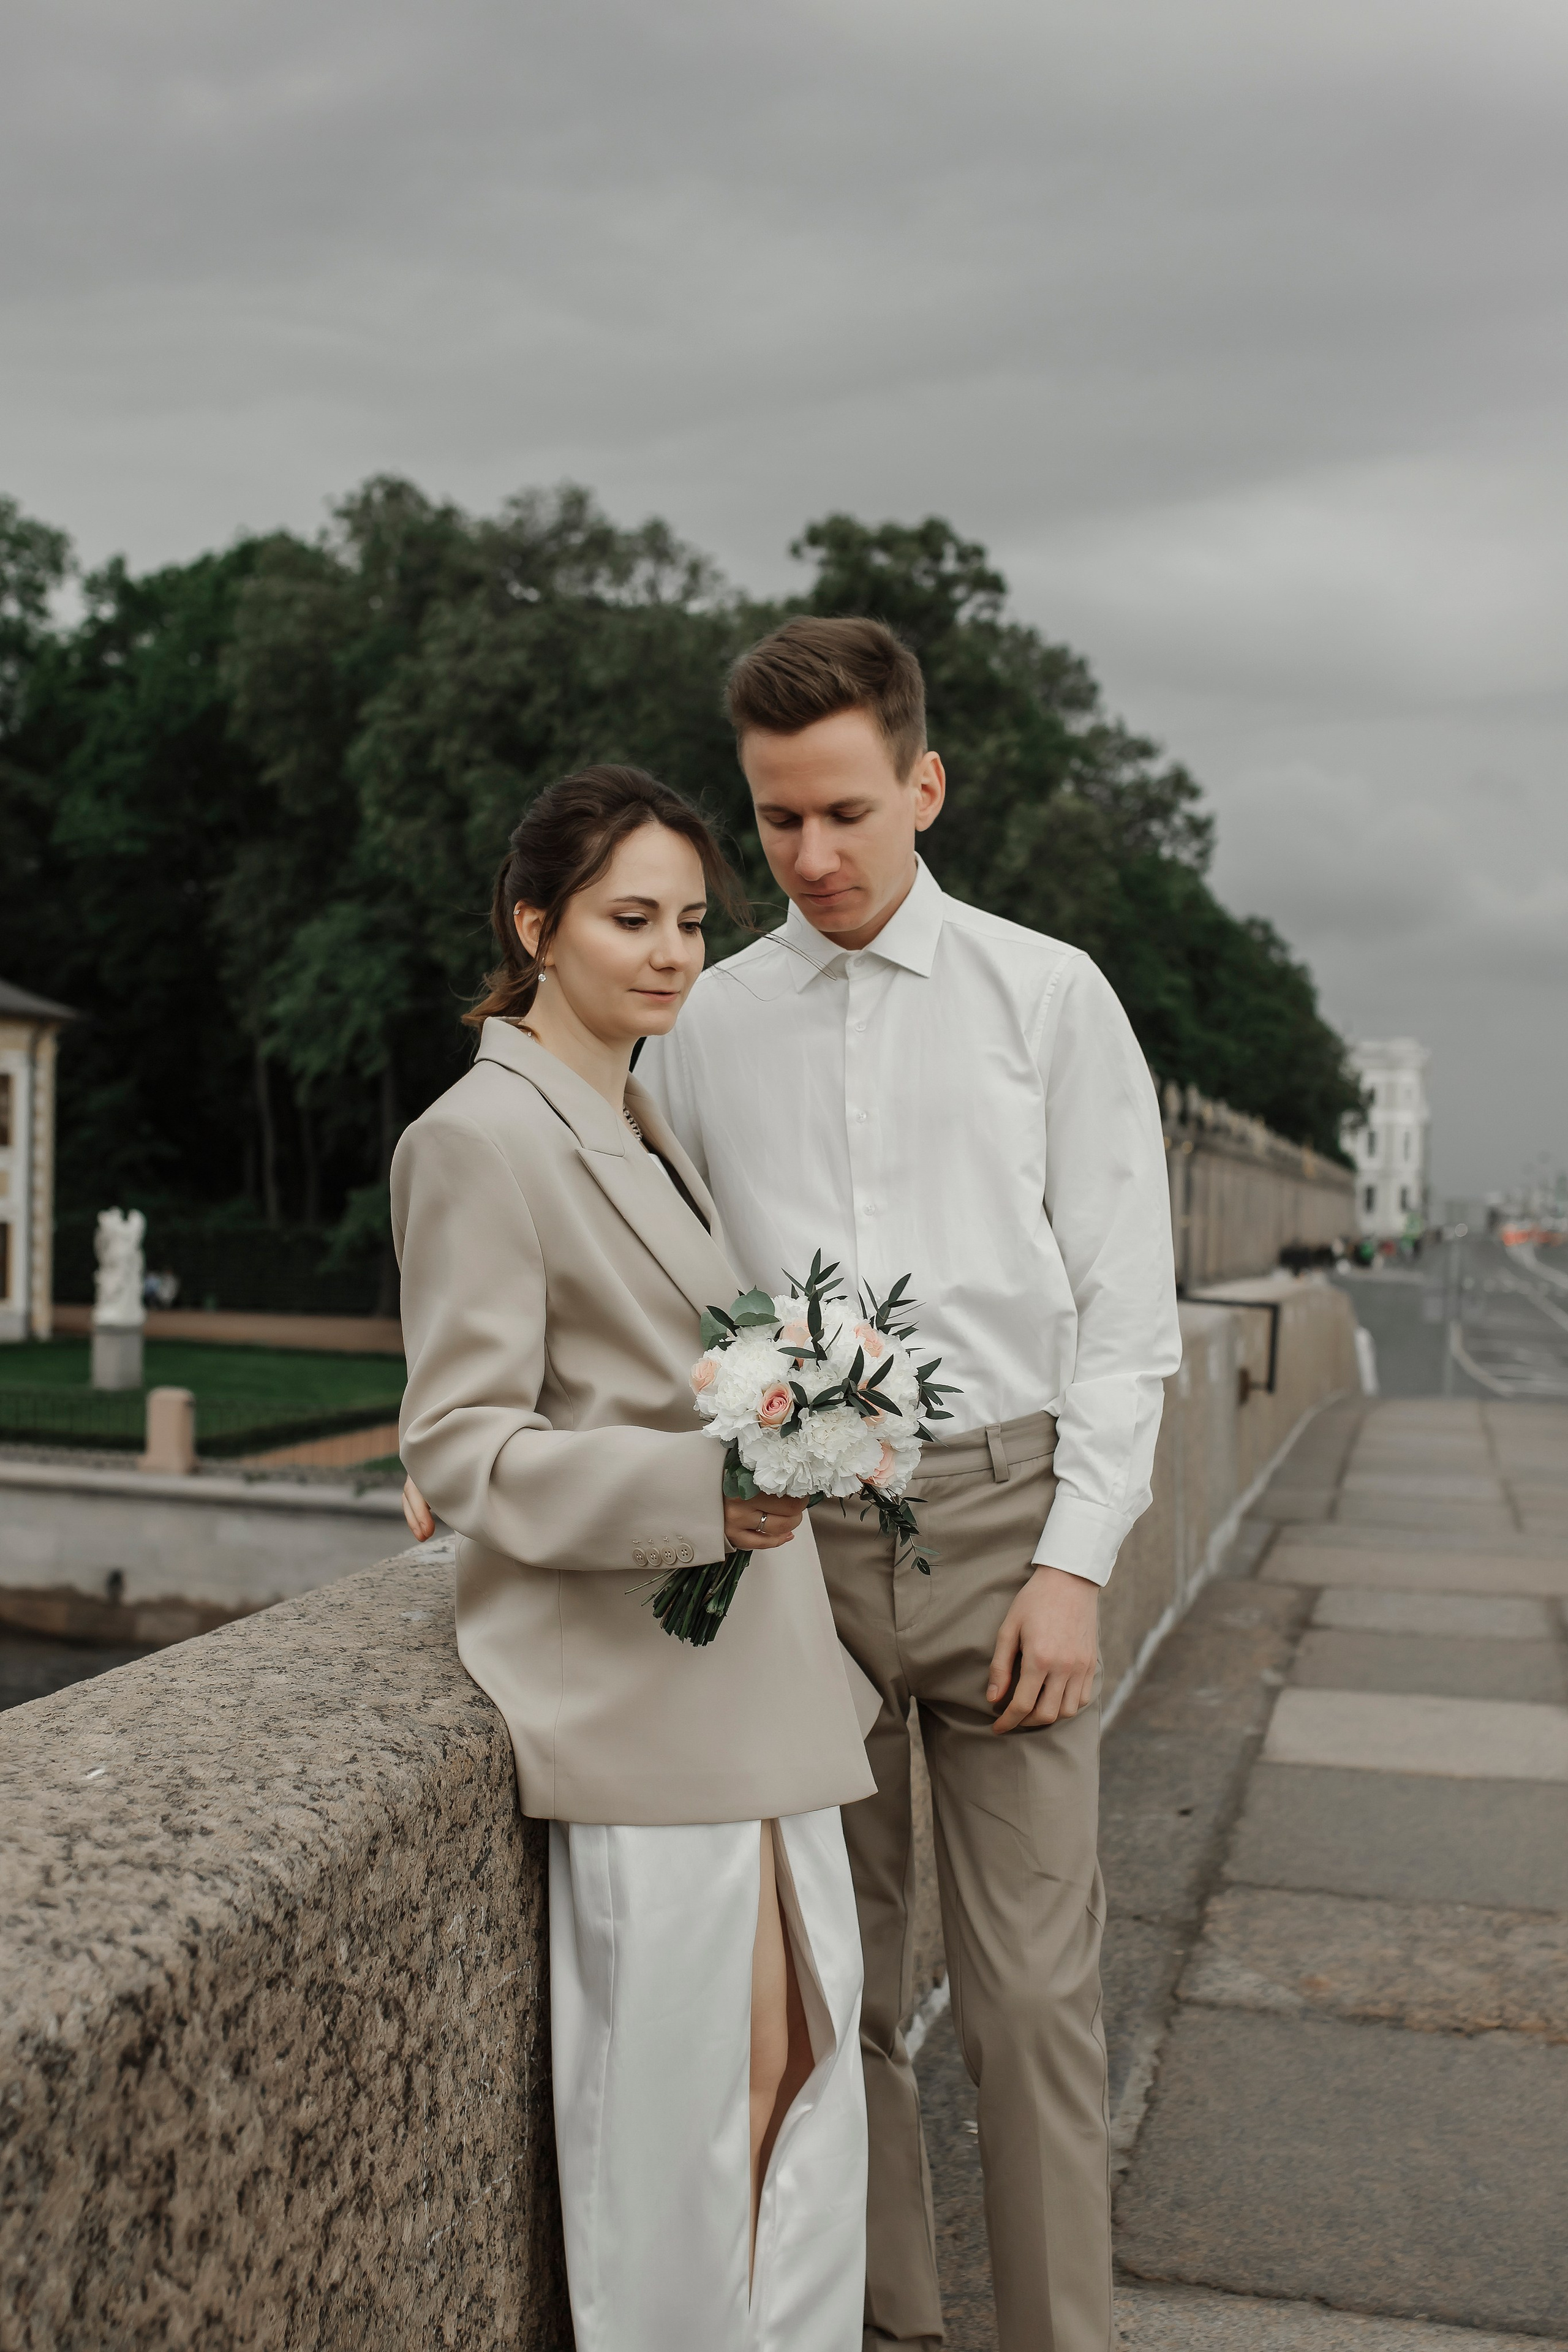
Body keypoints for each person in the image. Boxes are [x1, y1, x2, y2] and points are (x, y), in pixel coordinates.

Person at [636, 619, 1183, 2352]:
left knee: (1033, 1998)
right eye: (778, 819)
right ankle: (890, 2326)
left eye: (847, 813)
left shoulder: (1050, 996)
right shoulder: (703, 1025)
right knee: (840, 1987)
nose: (812, 856)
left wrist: (1076, 1569)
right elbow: (636, 1268)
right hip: (795, 1551)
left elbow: (1128, 1319)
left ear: (925, 786)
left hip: (1010, 1530)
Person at [392, 764, 879, 2352]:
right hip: (638, 1688)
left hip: (743, 1675)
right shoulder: (478, 1137)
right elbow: (462, 1444)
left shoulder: (636, 1116)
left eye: (688, 922)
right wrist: (700, 1489)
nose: (672, 953)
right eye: (629, 919)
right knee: (698, 2118)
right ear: (535, 926)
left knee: (798, 2072)